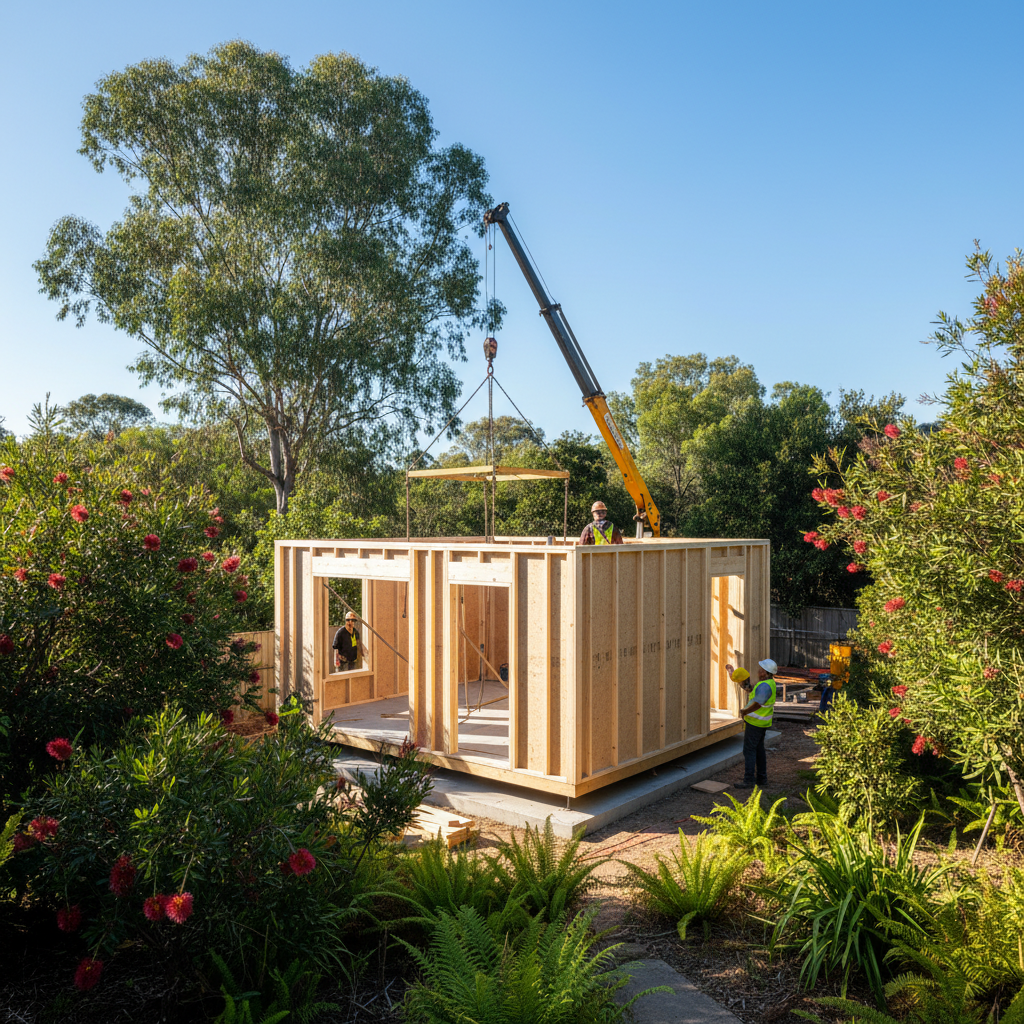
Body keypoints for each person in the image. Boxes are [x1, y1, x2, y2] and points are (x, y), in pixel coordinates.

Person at [725, 658, 777, 789]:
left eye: (761, 670)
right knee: (759, 750)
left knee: (749, 751)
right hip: (761, 723)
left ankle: (749, 780)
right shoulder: (767, 684)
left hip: (755, 724)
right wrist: (734, 675)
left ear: (765, 672)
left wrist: (745, 711)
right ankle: (762, 779)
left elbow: (758, 704)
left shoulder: (765, 686)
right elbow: (750, 689)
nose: (758, 671)